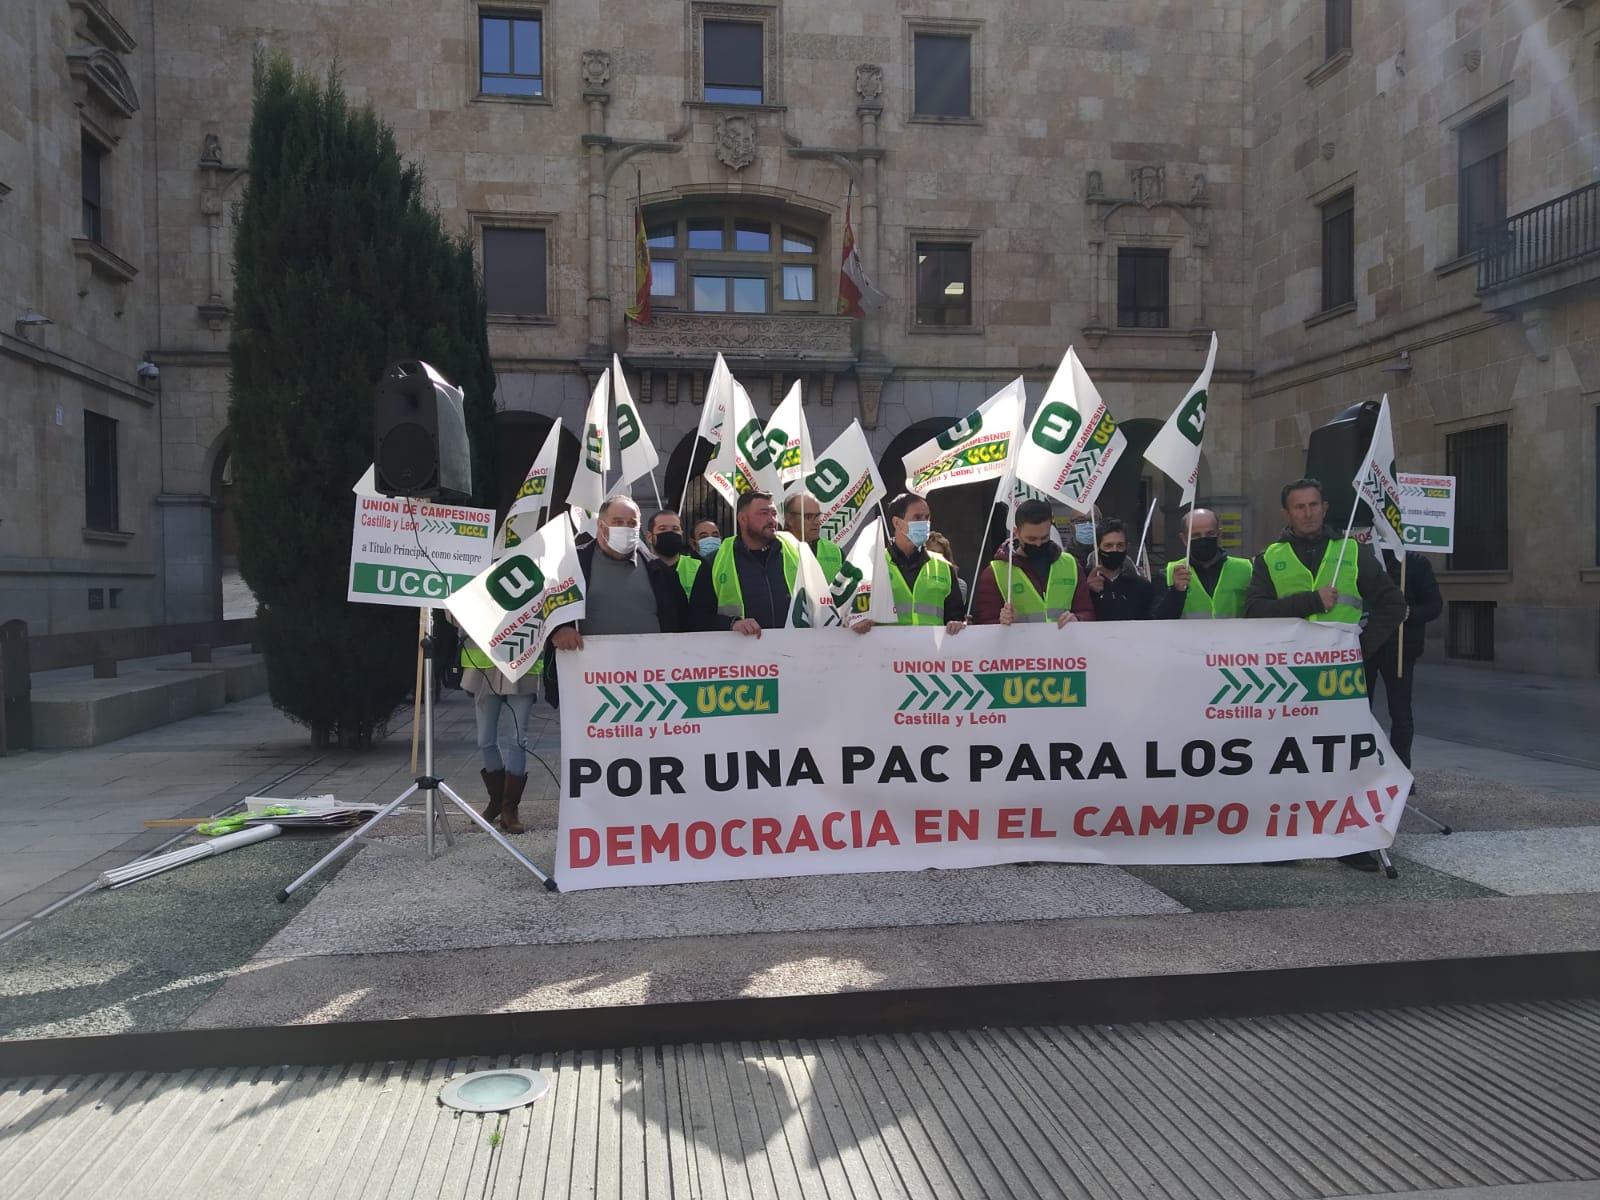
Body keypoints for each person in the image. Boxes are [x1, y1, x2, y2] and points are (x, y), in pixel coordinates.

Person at [1246, 477, 1409, 871]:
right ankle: (1284, 840)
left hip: (1340, 680)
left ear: (1325, 507)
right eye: (1299, 507)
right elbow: (1254, 611)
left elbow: (1393, 604)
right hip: (1288, 678)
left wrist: (1361, 652)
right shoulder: (1270, 557)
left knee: (1343, 759)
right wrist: (1309, 601)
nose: (1308, 513)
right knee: (1287, 758)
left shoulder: (1352, 552)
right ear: (1287, 513)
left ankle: (1349, 842)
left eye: (1314, 505)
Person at [548, 495, 688, 655]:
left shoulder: (659, 569)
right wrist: (559, 629)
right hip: (591, 671)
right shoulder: (572, 564)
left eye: (632, 523)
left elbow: (681, 618)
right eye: (618, 522)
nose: (626, 527)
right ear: (600, 526)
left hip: (653, 669)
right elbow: (547, 609)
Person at [1364, 548, 1443, 770]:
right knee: (1361, 711)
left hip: (1401, 649)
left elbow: (1434, 605)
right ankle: (1363, 768)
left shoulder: (1416, 564)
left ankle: (1401, 770)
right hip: (1367, 647)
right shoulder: (1363, 561)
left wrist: (1409, 613)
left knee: (1400, 714)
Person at [457, 629, 538, 834]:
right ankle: (496, 802)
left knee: (518, 740)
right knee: (485, 740)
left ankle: (510, 808)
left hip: (522, 661)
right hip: (483, 666)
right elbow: (454, 613)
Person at [689, 490, 800, 637]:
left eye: (773, 513)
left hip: (795, 652)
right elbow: (696, 618)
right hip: (741, 656)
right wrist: (732, 624)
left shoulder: (797, 551)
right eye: (763, 513)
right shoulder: (714, 561)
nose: (772, 520)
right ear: (742, 519)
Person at [972, 498, 1096, 627]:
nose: (1038, 543)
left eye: (1044, 537)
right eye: (1031, 538)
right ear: (1016, 533)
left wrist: (1078, 619)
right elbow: (985, 623)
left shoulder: (1071, 564)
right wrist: (1002, 622)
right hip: (1020, 645)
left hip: (1062, 644)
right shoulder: (995, 572)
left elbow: (1087, 611)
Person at [856, 492, 966, 634]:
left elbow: (956, 616)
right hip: (887, 653)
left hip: (930, 654)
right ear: (897, 523)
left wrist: (958, 623)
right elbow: (856, 613)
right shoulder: (872, 565)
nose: (925, 523)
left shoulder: (943, 566)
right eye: (917, 517)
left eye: (927, 517)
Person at [1151, 508, 1252, 619]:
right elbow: (1158, 621)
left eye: (1210, 534)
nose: (1203, 540)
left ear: (1219, 535)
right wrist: (1176, 592)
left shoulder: (1247, 569)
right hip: (1189, 636)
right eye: (1196, 535)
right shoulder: (1167, 574)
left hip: (1234, 636)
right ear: (1184, 539)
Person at [1086, 518, 1152, 621]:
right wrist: (1088, 591)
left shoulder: (1142, 586)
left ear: (1127, 547)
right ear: (1097, 548)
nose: (1114, 550)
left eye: (1120, 545)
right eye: (1108, 545)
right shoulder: (1084, 582)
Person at [783, 492, 844, 583]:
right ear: (790, 519)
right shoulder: (775, 549)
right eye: (809, 516)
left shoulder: (834, 550)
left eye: (818, 516)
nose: (817, 522)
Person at [645, 509, 700, 602]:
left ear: (682, 534)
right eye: (662, 529)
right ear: (649, 537)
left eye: (675, 529)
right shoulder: (641, 569)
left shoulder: (698, 567)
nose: (670, 533)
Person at [925, 531, 968, 605]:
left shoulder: (960, 584)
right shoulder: (918, 578)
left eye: (940, 553)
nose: (936, 557)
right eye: (932, 552)